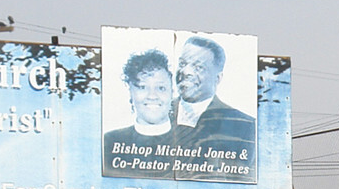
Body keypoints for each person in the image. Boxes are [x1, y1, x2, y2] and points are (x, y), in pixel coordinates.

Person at [172, 35, 257, 181]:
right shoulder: (151, 114)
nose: (186, 72)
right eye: (182, 63)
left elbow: (243, 182)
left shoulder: (243, 126)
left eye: (198, 67)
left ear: (217, 79)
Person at [103, 49, 178, 178]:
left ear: (172, 93)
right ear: (131, 92)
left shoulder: (192, 140)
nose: (152, 96)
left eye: (161, 88)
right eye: (142, 87)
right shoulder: (109, 142)